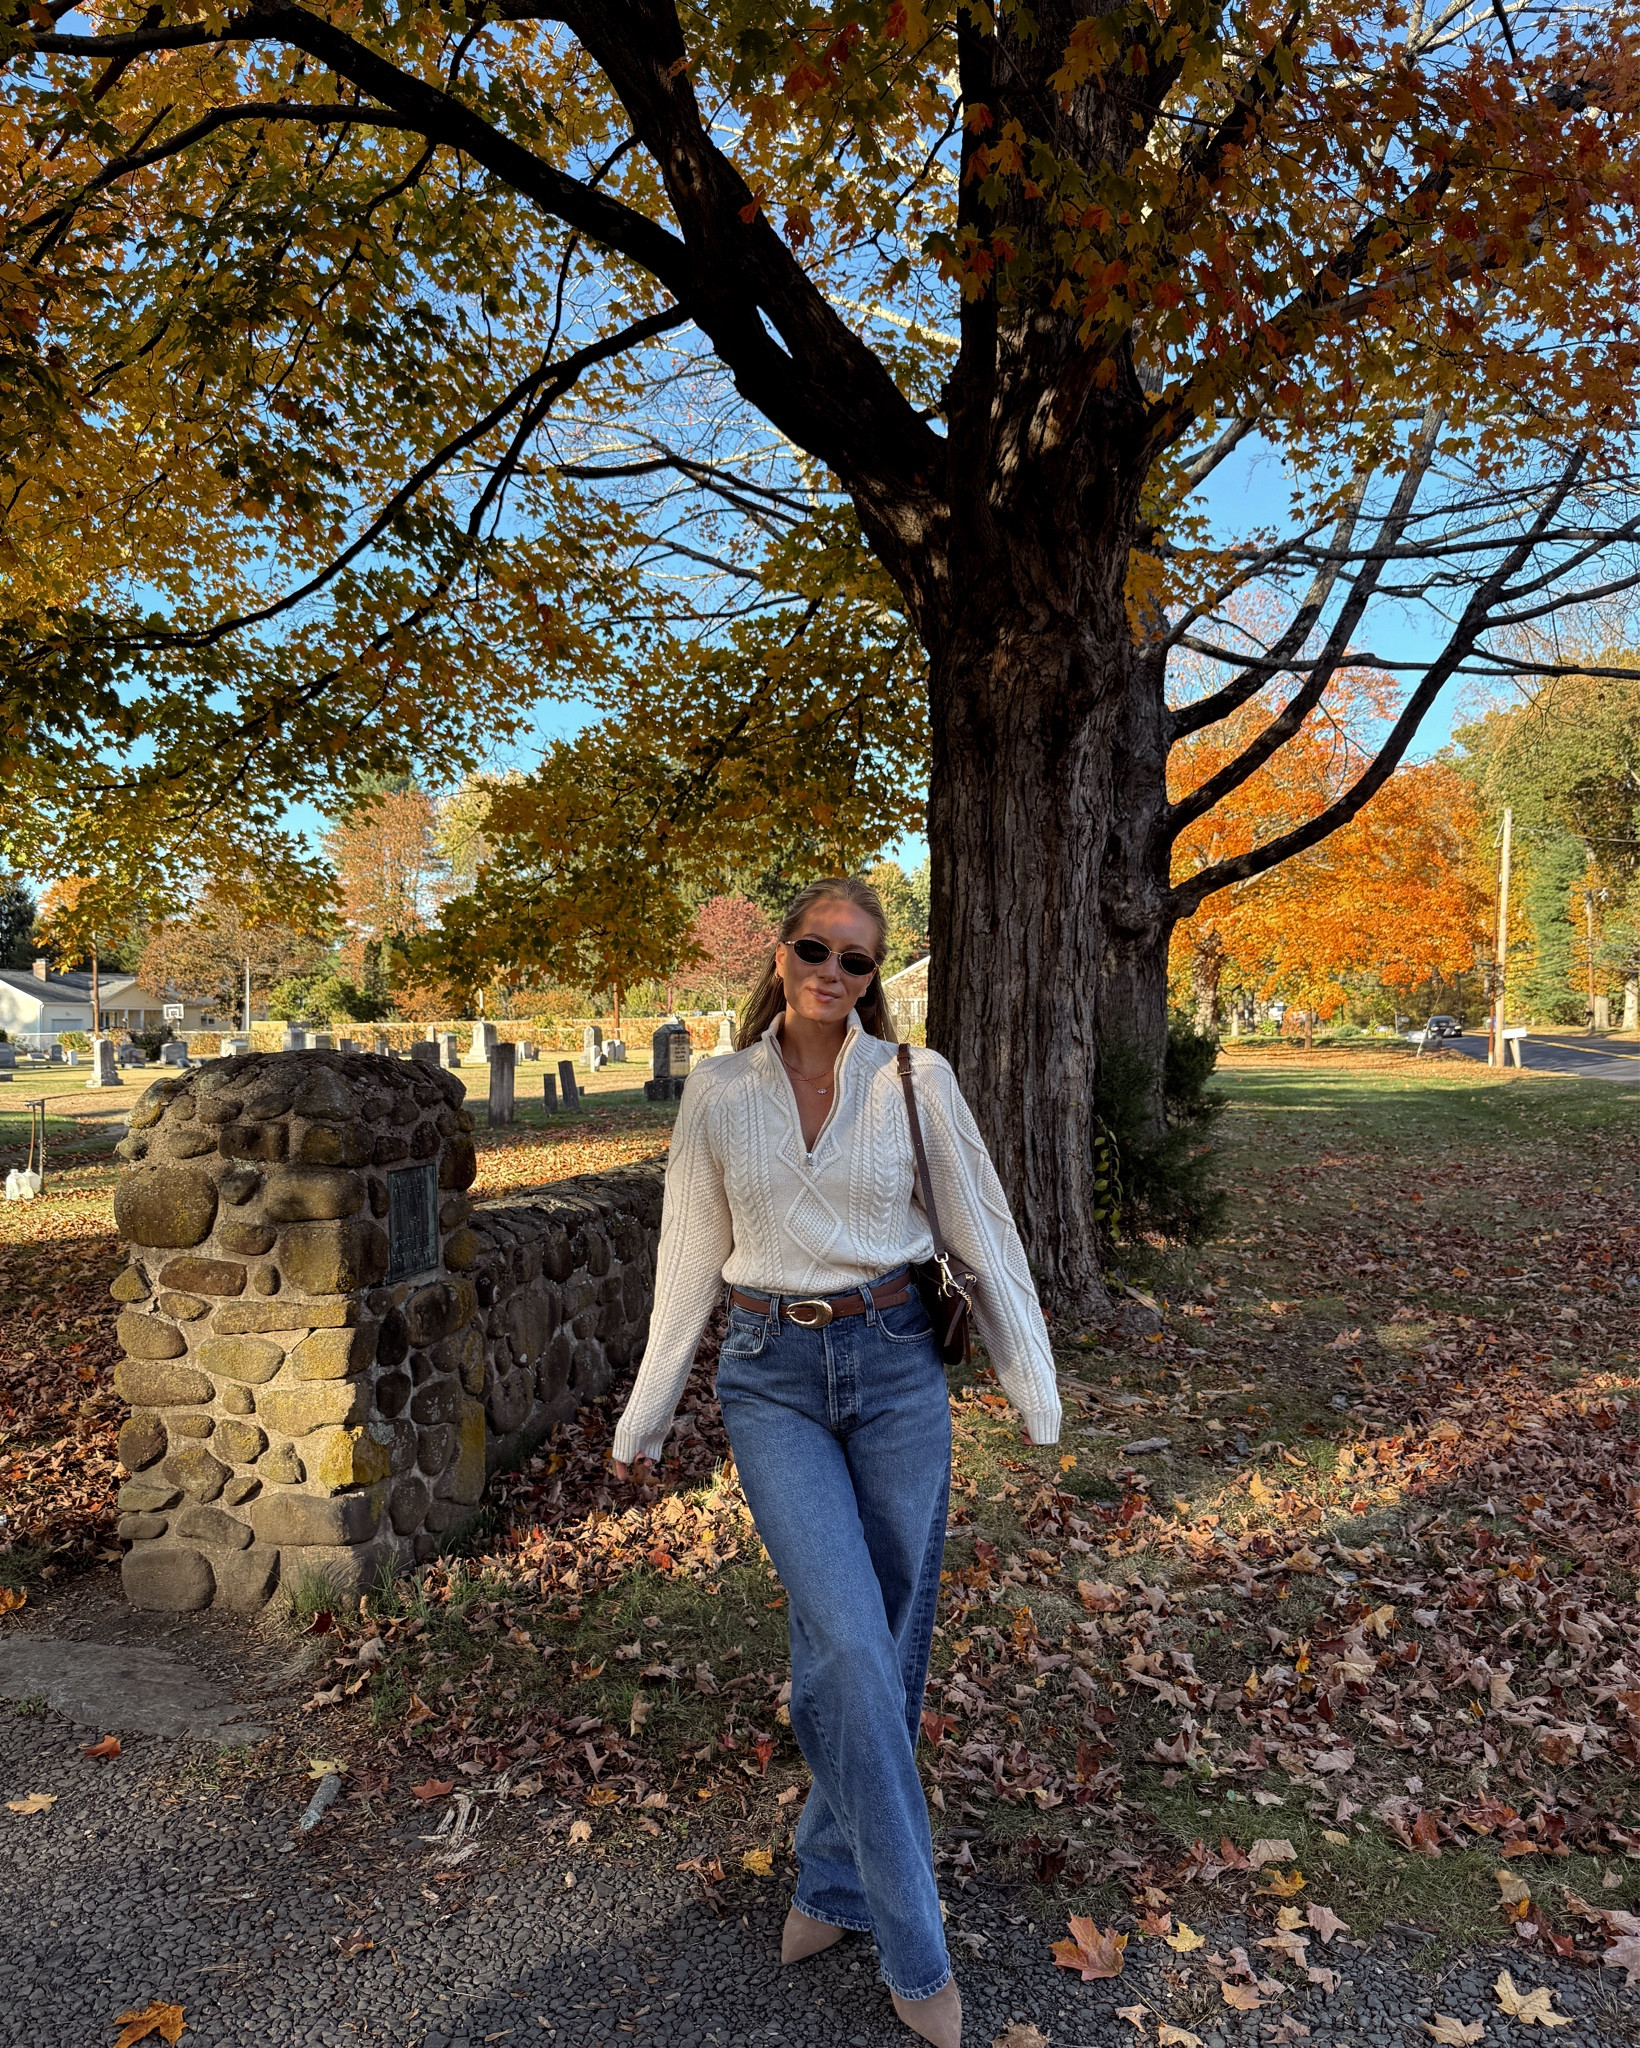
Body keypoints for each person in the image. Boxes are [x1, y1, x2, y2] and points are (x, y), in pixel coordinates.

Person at [611, 877, 1060, 2048]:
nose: (830, 971)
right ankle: (916, 1947)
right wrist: (647, 1407)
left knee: (880, 1645)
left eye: (855, 959)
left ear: (872, 975)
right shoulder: (719, 1090)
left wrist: (1031, 1381)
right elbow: (687, 1251)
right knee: (849, 1641)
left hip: (897, 1363)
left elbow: (981, 1226)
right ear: (780, 954)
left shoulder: (915, 1077)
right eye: (814, 948)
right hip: (769, 1380)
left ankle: (828, 1875)